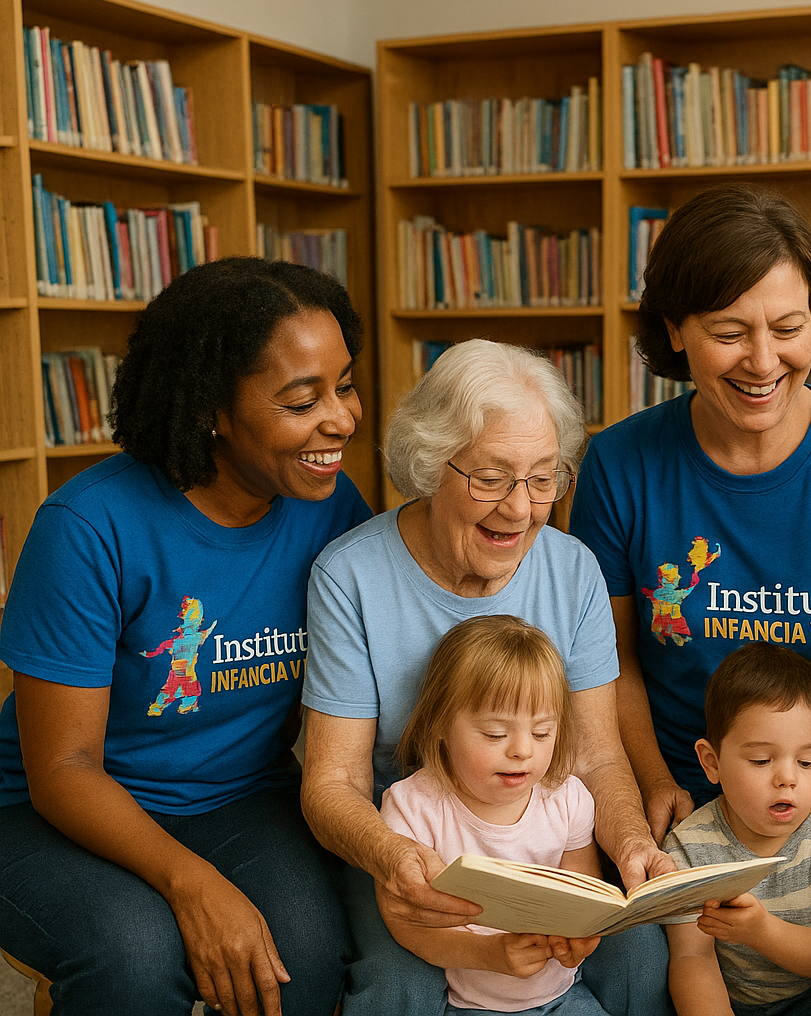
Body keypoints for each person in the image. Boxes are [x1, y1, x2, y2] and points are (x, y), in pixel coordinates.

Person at [0, 258, 372, 1016]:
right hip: (51, 809)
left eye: (345, 384)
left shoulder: (329, 507)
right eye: (303, 400)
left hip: (239, 798)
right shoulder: (87, 528)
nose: (340, 419)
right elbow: (64, 767)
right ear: (212, 408)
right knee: (134, 954)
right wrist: (192, 883)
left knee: (299, 952)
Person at [568, 184, 811, 886]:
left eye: (788, 328)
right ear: (674, 330)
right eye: (728, 332)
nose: (762, 360)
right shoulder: (618, 464)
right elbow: (611, 658)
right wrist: (651, 787)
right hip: (683, 798)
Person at [298, 339, 670, 1015]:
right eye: (492, 479)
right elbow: (333, 784)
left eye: (541, 478)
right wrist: (396, 858)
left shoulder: (574, 570)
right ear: (431, 463)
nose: (520, 509)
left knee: (642, 958)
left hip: (542, 836)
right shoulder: (349, 576)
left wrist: (634, 843)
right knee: (400, 984)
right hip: (413, 838)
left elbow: (595, 755)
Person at [381, 615, 610, 1016]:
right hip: (470, 1006)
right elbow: (407, 924)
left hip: (566, 995)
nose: (523, 750)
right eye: (495, 734)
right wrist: (489, 953)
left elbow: (584, 892)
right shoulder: (413, 806)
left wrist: (582, 936)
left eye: (542, 733)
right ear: (439, 724)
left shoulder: (568, 798)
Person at [664, 642, 811, 1016]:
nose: (788, 779)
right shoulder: (688, 847)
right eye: (761, 760)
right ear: (711, 763)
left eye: (807, 762)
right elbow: (691, 958)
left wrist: (762, 932)